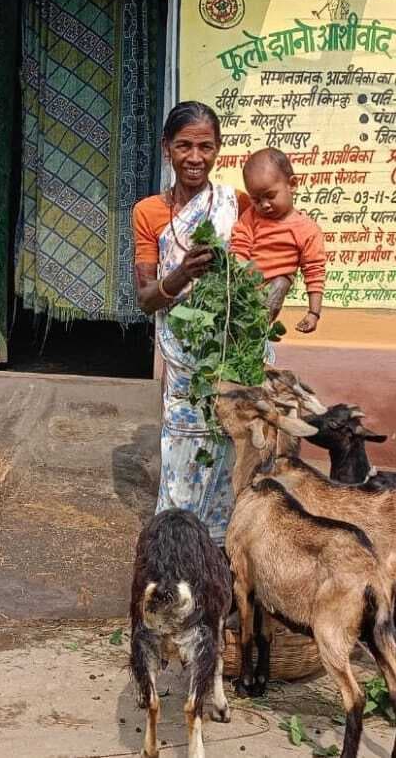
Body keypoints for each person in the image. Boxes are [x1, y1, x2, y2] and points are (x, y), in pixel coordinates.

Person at [132, 101, 248, 546]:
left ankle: (226, 549)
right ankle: (181, 545)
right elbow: (145, 299)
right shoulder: (149, 213)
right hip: (181, 357)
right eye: (184, 146)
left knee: (232, 441)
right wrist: (181, 275)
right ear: (167, 149)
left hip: (230, 352)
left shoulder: (233, 205)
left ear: (218, 150)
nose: (195, 157)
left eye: (206, 146)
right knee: (182, 443)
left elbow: (269, 259)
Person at [230, 148, 327, 333]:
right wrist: (236, 282)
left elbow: (314, 271)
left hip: (272, 293)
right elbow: (239, 247)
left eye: (270, 196)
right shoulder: (251, 216)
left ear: (292, 184)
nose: (264, 205)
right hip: (244, 291)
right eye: (256, 200)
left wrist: (313, 313)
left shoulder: (307, 230)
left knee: (280, 284)